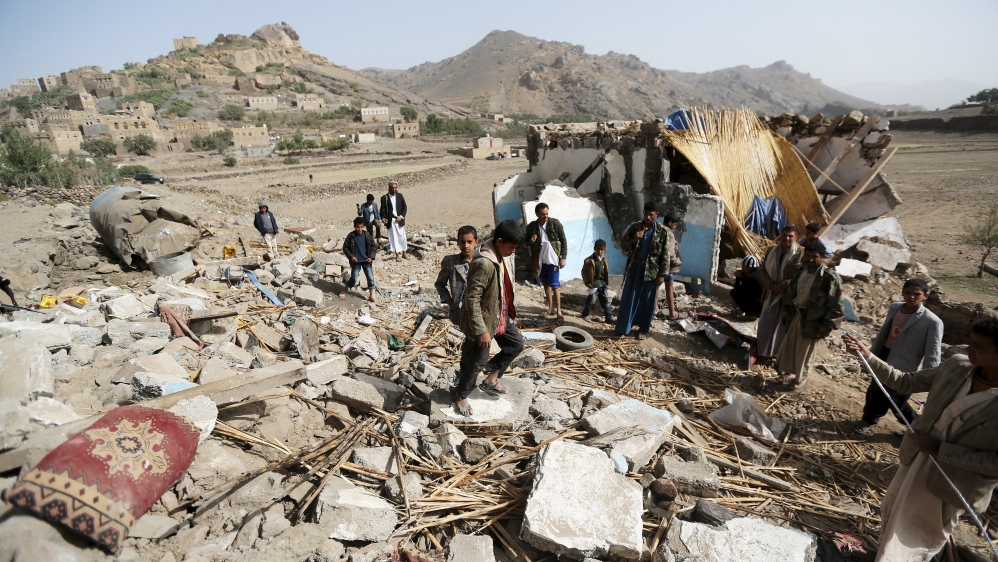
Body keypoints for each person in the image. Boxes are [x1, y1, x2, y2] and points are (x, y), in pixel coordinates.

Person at [842, 320, 998, 562]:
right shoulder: (958, 366)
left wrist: (940, 449)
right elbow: (905, 381)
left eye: (979, 346)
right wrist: (868, 356)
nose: (969, 349)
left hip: (953, 481)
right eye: (970, 342)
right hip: (917, 458)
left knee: (920, 535)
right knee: (893, 514)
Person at [452, 220, 525, 417]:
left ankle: (491, 378)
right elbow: (472, 299)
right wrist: (481, 330)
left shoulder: (502, 255)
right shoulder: (483, 263)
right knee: (478, 359)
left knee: (515, 344)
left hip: (500, 314)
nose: (513, 252)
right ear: (499, 242)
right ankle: (461, 394)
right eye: (511, 248)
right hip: (484, 320)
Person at [855, 279, 943, 436]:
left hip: (905, 365)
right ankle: (869, 420)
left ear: (925, 296)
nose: (911, 297)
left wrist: (930, 376)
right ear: (902, 292)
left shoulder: (932, 321)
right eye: (908, 292)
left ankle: (916, 428)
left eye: (917, 294)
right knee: (876, 389)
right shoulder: (895, 308)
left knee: (897, 399)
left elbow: (933, 351)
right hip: (884, 354)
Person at [775, 242, 843, 388]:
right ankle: (790, 373)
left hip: (814, 320)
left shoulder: (829, 277)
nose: (811, 259)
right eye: (808, 256)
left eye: (815, 257)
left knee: (805, 351)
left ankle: (800, 380)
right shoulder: (801, 270)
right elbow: (792, 292)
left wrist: (827, 327)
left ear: (823, 257)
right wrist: (786, 312)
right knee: (792, 346)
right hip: (796, 314)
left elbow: (836, 306)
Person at [615, 202, 672, 340]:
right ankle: (624, 328)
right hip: (635, 268)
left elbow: (666, 255)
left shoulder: (663, 231)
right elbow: (623, 245)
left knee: (647, 301)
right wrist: (634, 240)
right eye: (646, 214)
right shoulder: (635, 227)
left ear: (656, 214)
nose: (647, 217)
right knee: (629, 297)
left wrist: (662, 274)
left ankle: (643, 329)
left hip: (651, 271)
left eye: (651, 215)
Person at [757, 225, 803, 362]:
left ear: (796, 238)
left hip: (787, 296)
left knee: (781, 326)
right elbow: (763, 269)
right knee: (766, 322)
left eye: (790, 236)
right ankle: (762, 352)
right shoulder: (772, 250)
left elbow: (801, 274)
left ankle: (777, 355)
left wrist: (784, 285)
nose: (786, 238)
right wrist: (771, 285)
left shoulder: (801, 253)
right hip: (771, 293)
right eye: (784, 235)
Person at [525, 203, 568, 321]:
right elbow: (525, 241)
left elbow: (563, 240)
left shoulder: (555, 223)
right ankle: (550, 308)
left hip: (553, 258)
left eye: (547, 214)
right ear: (537, 214)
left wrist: (563, 257)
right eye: (543, 214)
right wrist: (531, 241)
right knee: (545, 283)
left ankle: (559, 311)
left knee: (555, 285)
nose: (545, 216)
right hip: (540, 257)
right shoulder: (532, 226)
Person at [435, 225, 478, 325]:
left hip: (478, 312)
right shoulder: (450, 261)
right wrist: (451, 303)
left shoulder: (482, 262)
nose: (466, 245)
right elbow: (440, 284)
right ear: (458, 242)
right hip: (459, 312)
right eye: (462, 242)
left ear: (476, 242)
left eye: (469, 242)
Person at [341, 217, 378, 302]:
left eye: (361, 227)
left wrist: (371, 257)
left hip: (366, 261)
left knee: (370, 277)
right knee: (354, 277)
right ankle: (345, 289)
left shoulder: (367, 235)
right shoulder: (351, 236)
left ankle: (372, 295)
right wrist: (351, 257)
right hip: (356, 261)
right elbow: (345, 248)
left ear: (364, 226)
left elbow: (373, 246)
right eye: (358, 227)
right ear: (354, 226)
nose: (359, 229)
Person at [581, 239, 615, 323]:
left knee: (605, 301)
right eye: (598, 249)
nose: (600, 251)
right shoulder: (589, 260)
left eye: (602, 249)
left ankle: (609, 317)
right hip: (594, 284)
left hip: (602, 283)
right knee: (591, 301)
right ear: (594, 249)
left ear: (605, 249)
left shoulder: (604, 259)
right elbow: (584, 272)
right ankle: (585, 314)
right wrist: (587, 282)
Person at [662, 213, 683, 320]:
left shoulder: (659, 231)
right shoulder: (669, 234)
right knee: (669, 288)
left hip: (658, 266)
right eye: (675, 225)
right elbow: (670, 253)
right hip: (668, 267)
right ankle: (672, 313)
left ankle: (655, 309)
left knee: (656, 288)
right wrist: (677, 262)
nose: (675, 227)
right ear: (670, 223)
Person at [380, 181, 408, 260]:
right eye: (392, 188)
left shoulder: (400, 196)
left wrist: (401, 217)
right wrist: (384, 218)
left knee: (402, 237)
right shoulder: (384, 198)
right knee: (394, 238)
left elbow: (404, 207)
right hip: (391, 221)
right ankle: (397, 254)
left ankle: (404, 253)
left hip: (399, 220)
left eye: (395, 188)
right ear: (389, 188)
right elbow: (382, 210)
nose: (394, 189)